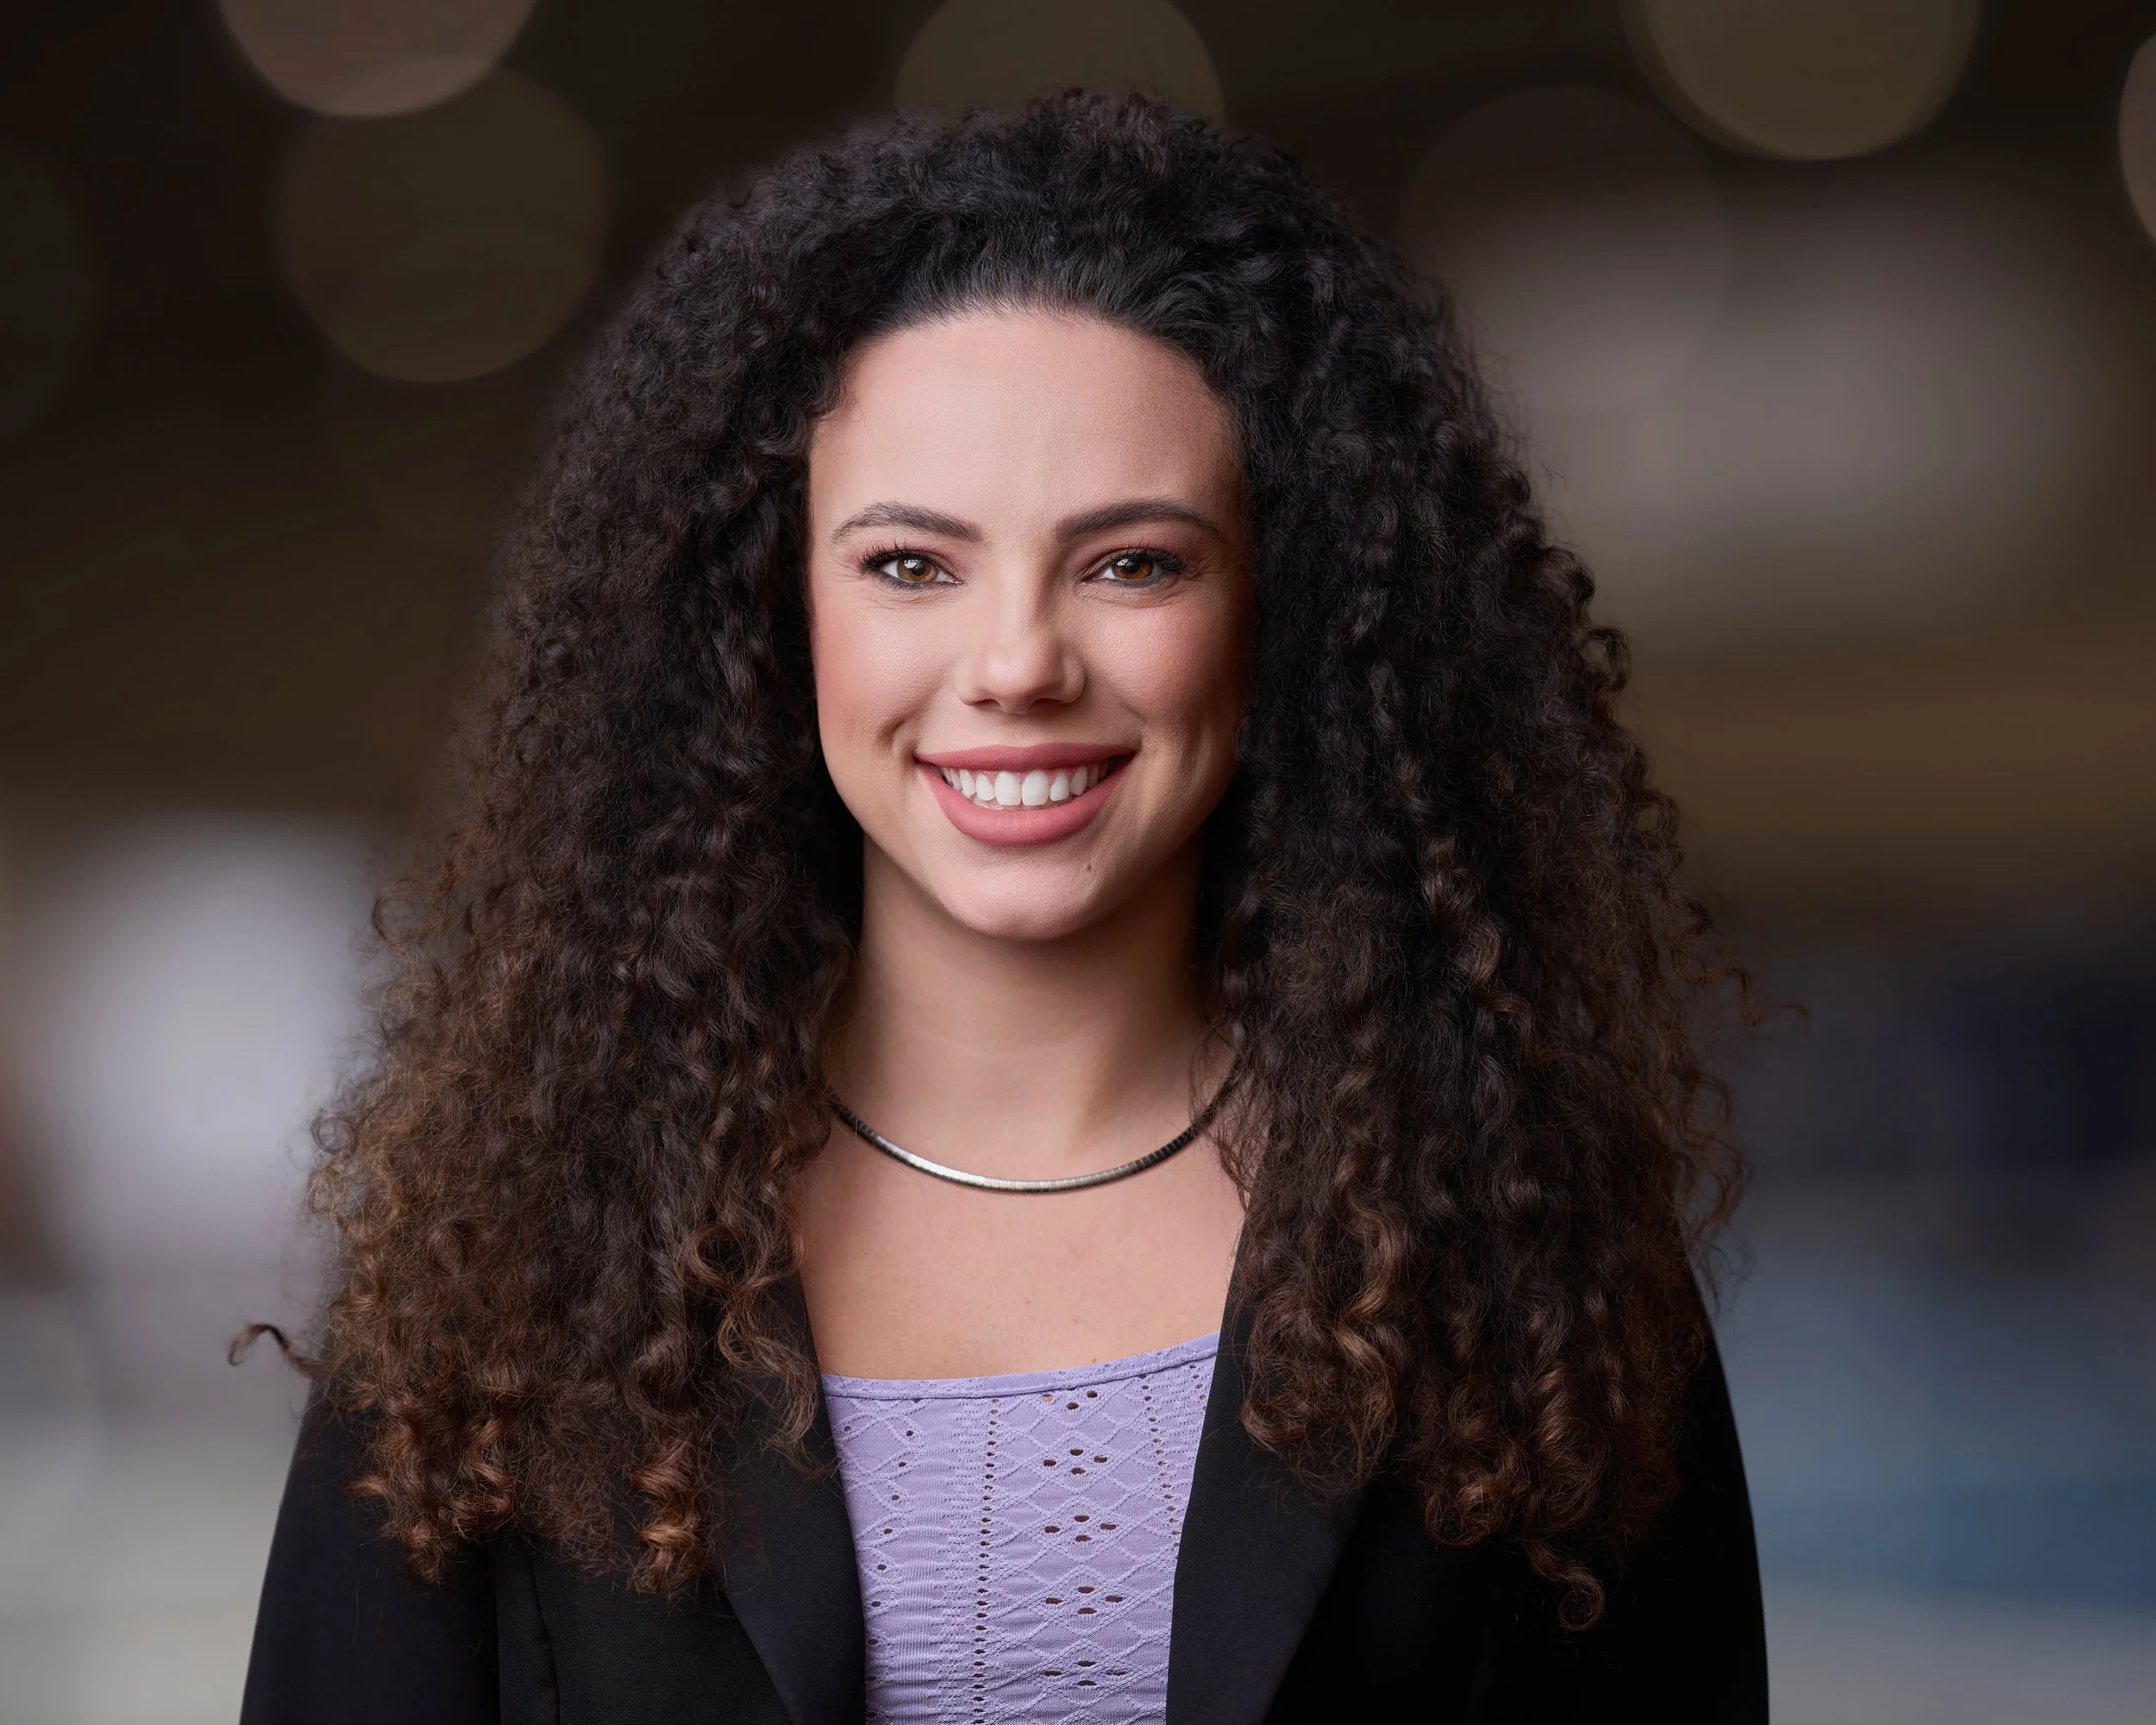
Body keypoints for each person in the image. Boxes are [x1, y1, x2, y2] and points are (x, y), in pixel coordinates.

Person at [240, 94, 1765, 1724]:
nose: (1020, 663)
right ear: (772, 617)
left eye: (1133, 564)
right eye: (910, 565)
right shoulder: (518, 1257)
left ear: (1284, 613)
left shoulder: (1515, 1243)